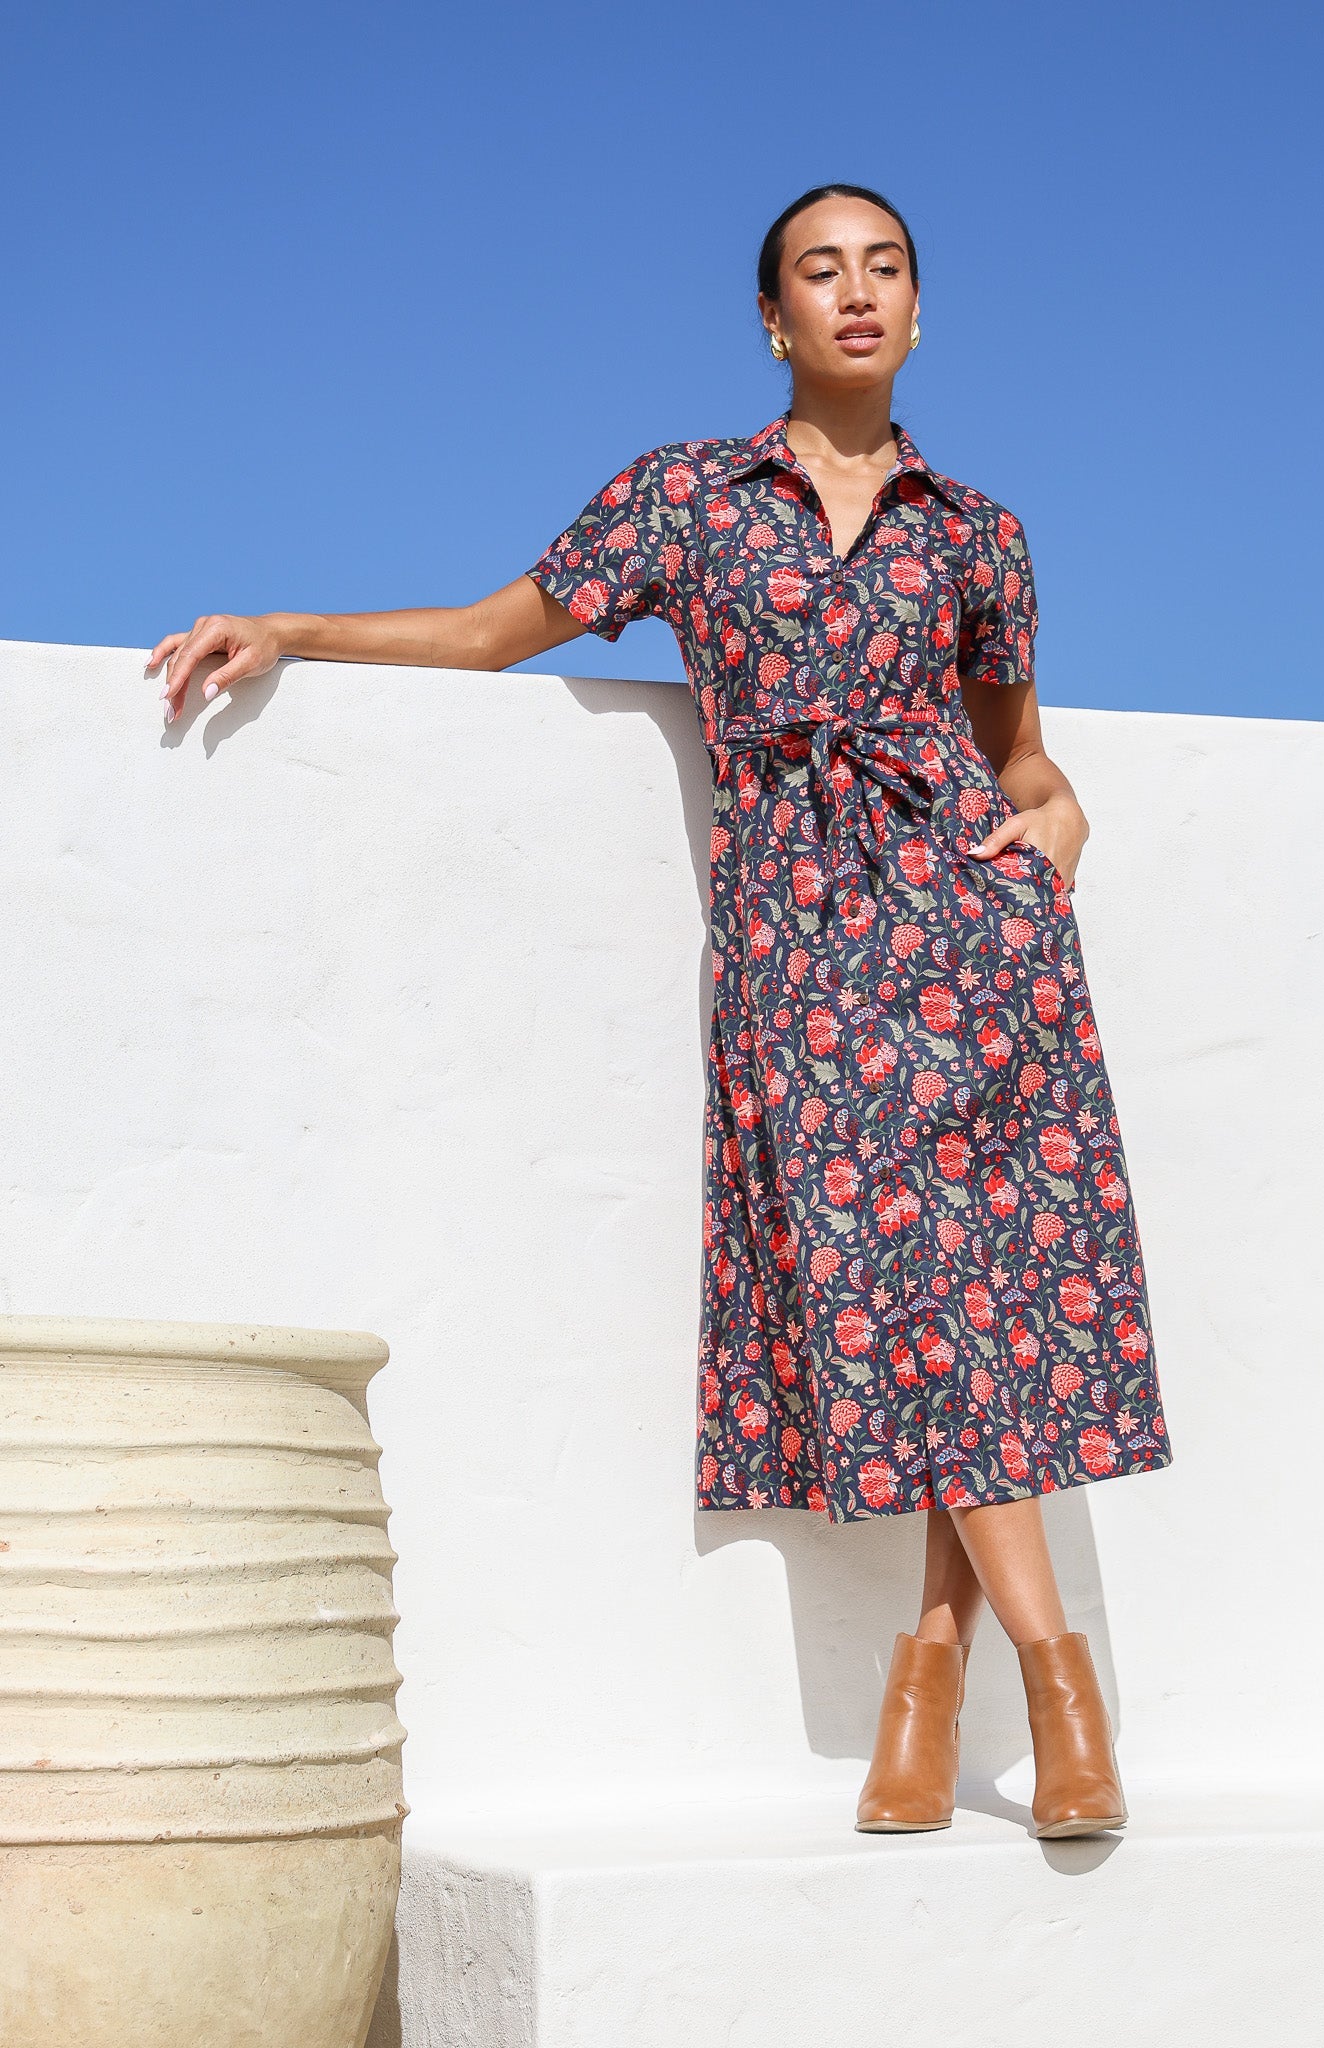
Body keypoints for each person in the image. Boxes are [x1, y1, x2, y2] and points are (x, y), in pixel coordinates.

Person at [148, 183, 1172, 1841]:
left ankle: (942, 1682)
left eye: (886, 269)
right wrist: (296, 627)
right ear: (773, 319)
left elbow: (1020, 749)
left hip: (972, 938)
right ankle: (1047, 1679)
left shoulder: (980, 531)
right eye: (819, 273)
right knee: (900, 1273)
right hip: (797, 935)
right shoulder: (684, 500)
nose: (857, 294)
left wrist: (1057, 817)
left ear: (922, 310)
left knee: (964, 1286)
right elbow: (493, 632)